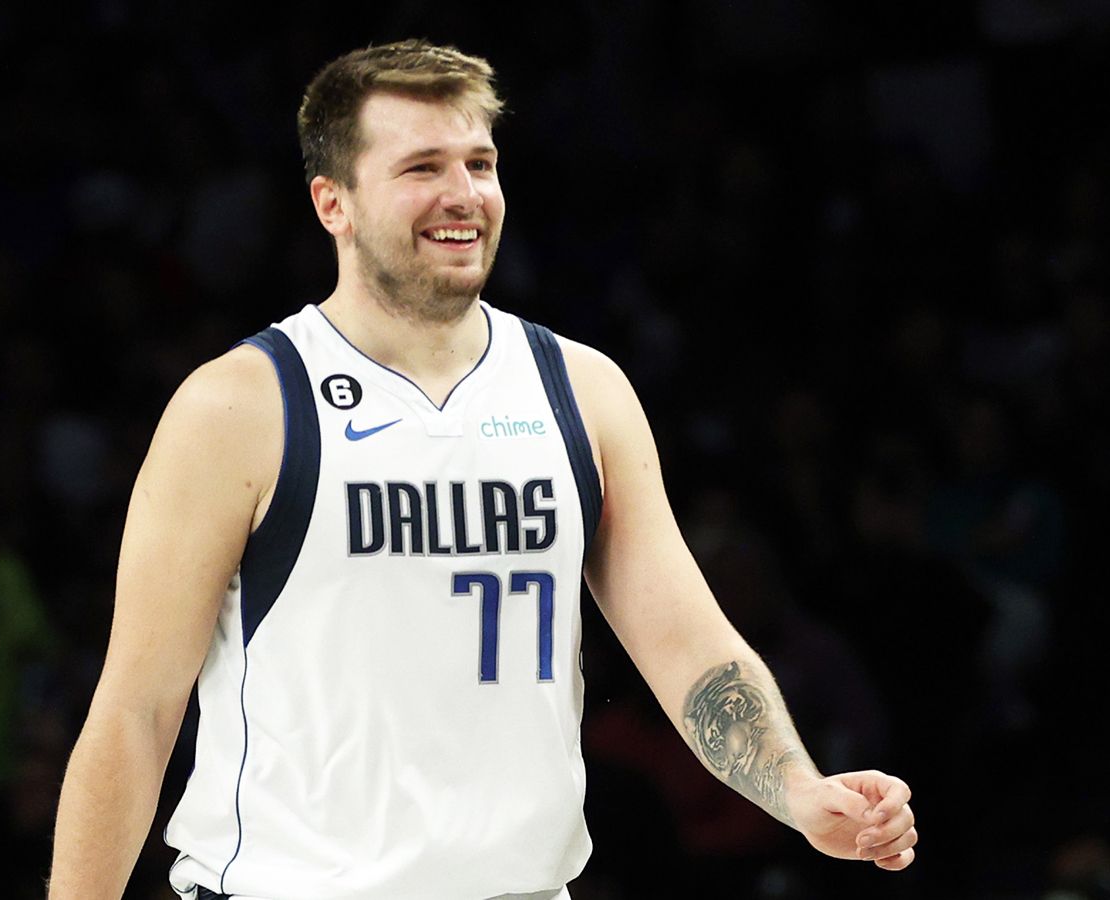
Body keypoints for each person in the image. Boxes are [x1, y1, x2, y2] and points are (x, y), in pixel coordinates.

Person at [48, 39, 918, 900]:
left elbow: (689, 646)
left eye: (480, 163)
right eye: (422, 167)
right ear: (332, 203)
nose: (463, 194)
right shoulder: (240, 407)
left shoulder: (583, 391)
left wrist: (799, 791)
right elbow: (136, 714)